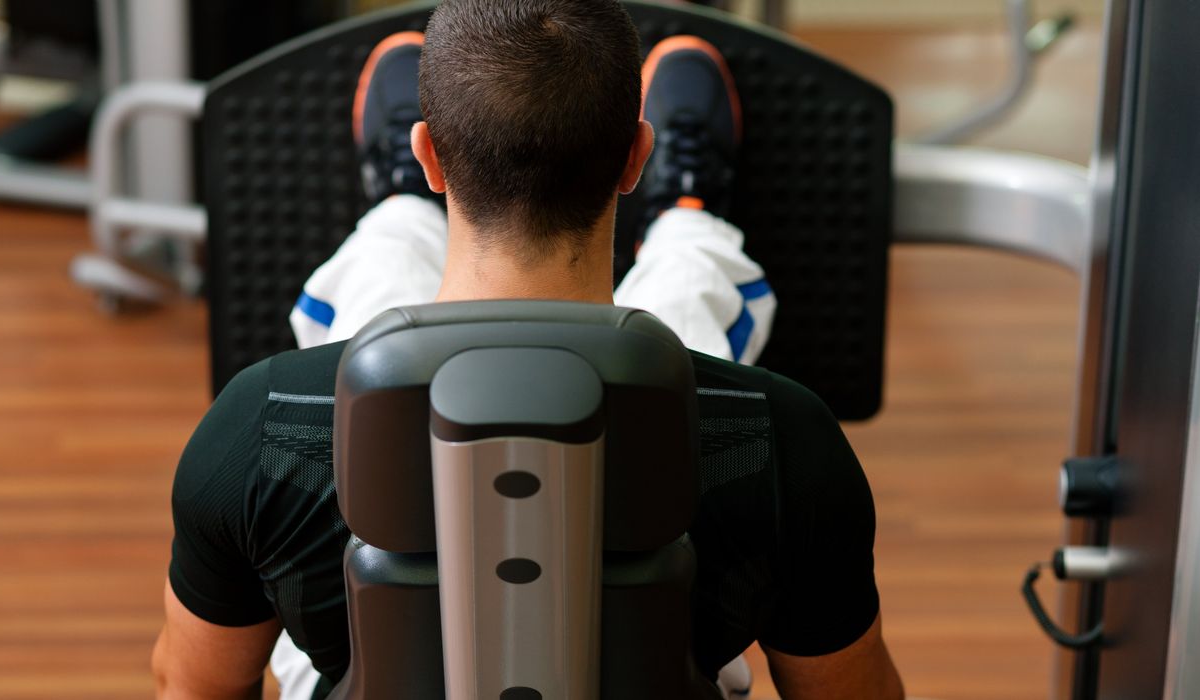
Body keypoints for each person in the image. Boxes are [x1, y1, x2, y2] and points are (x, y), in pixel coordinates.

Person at [152, 2, 904, 699]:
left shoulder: (263, 424)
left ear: (430, 155)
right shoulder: (780, 436)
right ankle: (688, 206)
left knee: (373, 287)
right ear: (633, 156)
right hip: (677, 650)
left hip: (353, 664)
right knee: (689, 298)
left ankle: (396, 209)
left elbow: (194, 687)